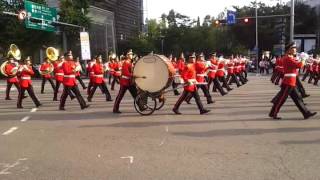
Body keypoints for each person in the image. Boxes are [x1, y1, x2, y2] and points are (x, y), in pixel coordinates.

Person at [269, 42, 317, 120]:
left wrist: (305, 60)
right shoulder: (287, 58)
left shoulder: (289, 57)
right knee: (282, 99)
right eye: (293, 48)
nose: (295, 50)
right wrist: (303, 59)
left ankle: (306, 113)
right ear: (289, 50)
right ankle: (274, 113)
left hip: (291, 81)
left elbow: (298, 63)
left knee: (297, 98)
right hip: (289, 81)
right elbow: (299, 65)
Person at [113, 49, 139, 113]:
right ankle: (115, 108)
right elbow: (126, 73)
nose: (131, 55)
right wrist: (133, 75)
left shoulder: (130, 62)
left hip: (129, 82)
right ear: (127, 55)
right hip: (124, 82)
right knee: (120, 96)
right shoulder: (125, 63)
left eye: (132, 54)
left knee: (135, 95)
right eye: (130, 54)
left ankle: (141, 106)